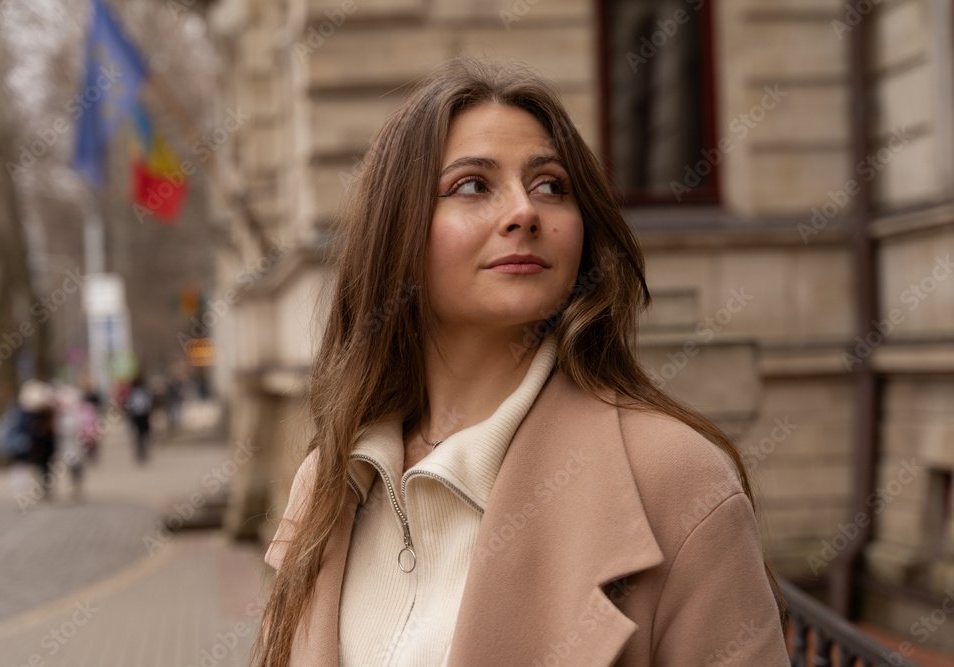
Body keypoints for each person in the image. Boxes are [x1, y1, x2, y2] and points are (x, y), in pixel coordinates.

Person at [251, 56, 790, 666]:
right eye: (474, 185)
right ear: (397, 230)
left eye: (551, 186)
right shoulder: (328, 481)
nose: (525, 211)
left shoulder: (676, 481)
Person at [125, 374, 153, 464]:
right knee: (142, 435)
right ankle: (142, 451)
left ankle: (141, 451)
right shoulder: (143, 391)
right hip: (142, 415)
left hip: (138, 416)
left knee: (140, 436)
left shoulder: (134, 391)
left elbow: (129, 404)